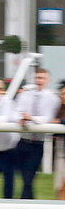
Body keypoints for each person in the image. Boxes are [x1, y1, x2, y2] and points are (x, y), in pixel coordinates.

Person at [14, 68, 62, 199]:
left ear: (48, 80)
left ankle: (26, 204)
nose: (39, 80)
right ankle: (25, 203)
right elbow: (17, 112)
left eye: (42, 78)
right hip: (22, 141)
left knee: (29, 177)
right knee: (24, 177)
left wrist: (31, 118)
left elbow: (49, 118)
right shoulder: (25, 95)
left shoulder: (53, 98)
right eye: (37, 77)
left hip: (37, 144)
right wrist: (22, 119)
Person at [55, 81, 65, 200]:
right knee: (60, 185)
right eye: (62, 93)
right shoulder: (59, 109)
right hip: (61, 151)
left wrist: (60, 122)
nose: (63, 96)